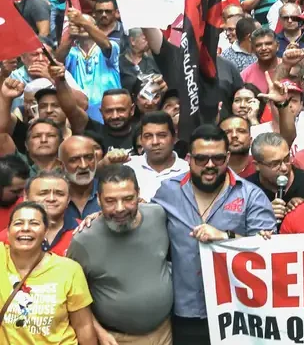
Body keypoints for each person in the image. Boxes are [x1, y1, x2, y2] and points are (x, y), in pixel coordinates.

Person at [151, 125, 276, 344]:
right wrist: (98, 217)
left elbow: (269, 251)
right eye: (201, 159)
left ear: (227, 157)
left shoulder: (251, 195)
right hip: (186, 311)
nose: (210, 166)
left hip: (238, 312)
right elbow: (139, 218)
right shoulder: (168, 191)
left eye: (217, 159)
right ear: (189, 158)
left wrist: (226, 236)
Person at [68, 164, 173, 343]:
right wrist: (99, 332)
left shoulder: (158, 215)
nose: (119, 208)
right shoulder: (84, 240)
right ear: (98, 200)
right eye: (110, 201)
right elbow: (73, 299)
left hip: (165, 333)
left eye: (128, 199)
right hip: (116, 339)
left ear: (138, 194)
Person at [0, 201, 98, 344]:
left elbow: (83, 326)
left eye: (34, 223)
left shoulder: (69, 270)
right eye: (18, 223)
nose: (26, 228)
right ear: (8, 232)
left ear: (46, 231)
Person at [126, 110, 189, 201]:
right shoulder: (129, 167)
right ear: (141, 140)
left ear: (174, 138)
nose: (155, 142)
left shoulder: (187, 170)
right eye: (148, 136)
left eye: (162, 135)